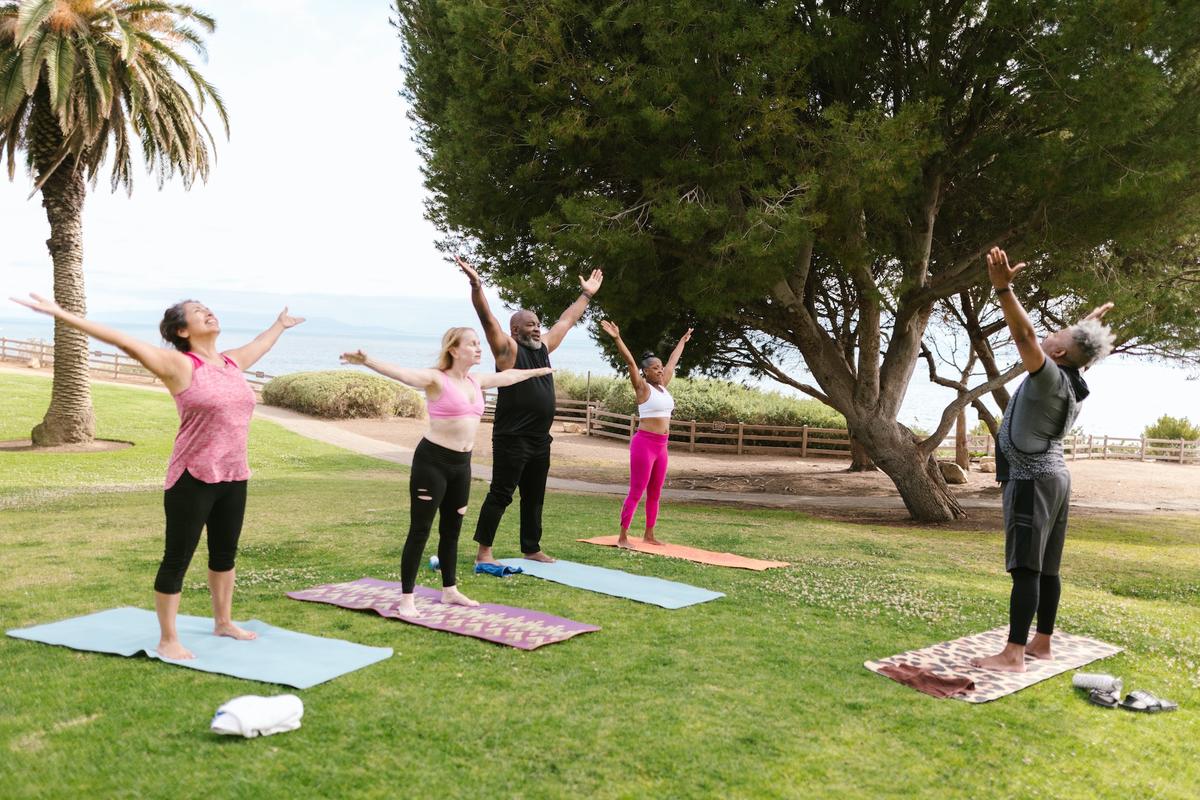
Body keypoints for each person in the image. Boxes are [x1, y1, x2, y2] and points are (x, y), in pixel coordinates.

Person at [11, 293, 304, 660]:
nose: (208, 312)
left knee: (225, 555)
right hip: (192, 477)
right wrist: (61, 314)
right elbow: (123, 341)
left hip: (233, 474)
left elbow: (259, 344)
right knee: (177, 558)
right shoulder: (179, 364)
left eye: (208, 308)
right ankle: (168, 639)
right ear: (182, 330)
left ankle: (223, 621)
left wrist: (280, 325)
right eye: (198, 312)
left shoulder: (231, 362)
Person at [970, 248, 1115, 672]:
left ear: (1060, 354)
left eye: (1059, 335)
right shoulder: (1072, 378)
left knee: (1026, 568)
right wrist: (1088, 324)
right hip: (1056, 477)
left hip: (1033, 479)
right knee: (1047, 567)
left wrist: (1003, 288)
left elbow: (1026, 337)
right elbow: (1065, 346)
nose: (1050, 334)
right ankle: (1042, 643)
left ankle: (1013, 654)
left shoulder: (1049, 375)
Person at [340, 328, 552, 617]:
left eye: (479, 344)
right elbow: (403, 374)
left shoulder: (476, 381)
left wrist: (539, 371)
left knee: (451, 531)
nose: (479, 349)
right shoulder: (435, 379)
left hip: (461, 466)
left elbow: (509, 376)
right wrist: (368, 361)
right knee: (420, 531)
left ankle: (450, 591)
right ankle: (406, 599)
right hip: (432, 463)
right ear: (454, 350)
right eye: (472, 344)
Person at [455, 256, 603, 565]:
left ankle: (531, 547)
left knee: (534, 497)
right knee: (501, 493)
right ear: (516, 330)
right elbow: (487, 319)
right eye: (530, 325)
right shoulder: (507, 350)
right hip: (512, 437)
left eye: (538, 324)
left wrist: (586, 294)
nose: (537, 329)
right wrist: (476, 285)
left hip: (540, 439)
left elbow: (566, 321)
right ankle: (484, 553)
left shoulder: (545, 347)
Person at [600, 320, 692, 548]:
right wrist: (617, 338)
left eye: (661, 367)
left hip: (662, 446)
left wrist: (682, 341)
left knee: (655, 492)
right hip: (644, 444)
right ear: (645, 372)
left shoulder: (664, 386)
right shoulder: (642, 388)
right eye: (655, 368)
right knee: (637, 491)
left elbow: (673, 361)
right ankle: (622, 537)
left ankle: (649, 535)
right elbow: (630, 362)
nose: (660, 370)